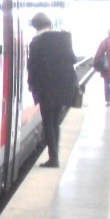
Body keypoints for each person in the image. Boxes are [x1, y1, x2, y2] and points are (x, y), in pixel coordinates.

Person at [26, 11, 78, 168]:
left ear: (35, 26)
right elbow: (73, 59)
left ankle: (53, 157)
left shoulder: (36, 42)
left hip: (46, 89)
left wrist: (31, 85)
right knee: (55, 122)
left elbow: (32, 67)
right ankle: (55, 154)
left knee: (48, 123)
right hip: (64, 87)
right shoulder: (64, 37)